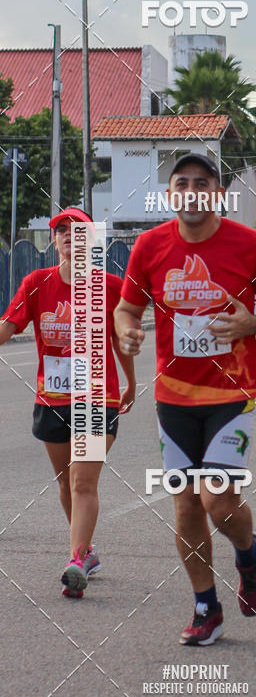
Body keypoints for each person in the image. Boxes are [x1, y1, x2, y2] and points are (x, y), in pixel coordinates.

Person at [114, 154, 256, 646]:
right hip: (173, 397)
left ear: (218, 193)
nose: (192, 192)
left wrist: (254, 323)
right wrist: (127, 332)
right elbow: (127, 309)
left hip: (232, 393)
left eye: (202, 183)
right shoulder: (149, 246)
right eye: (182, 183)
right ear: (171, 194)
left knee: (219, 500)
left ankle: (249, 554)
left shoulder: (250, 244)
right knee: (187, 506)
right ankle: (205, 606)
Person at [0, 207, 136, 597]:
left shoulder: (110, 286)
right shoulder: (36, 283)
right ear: (55, 240)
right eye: (62, 230)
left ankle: (75, 560)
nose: (68, 236)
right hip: (52, 399)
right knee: (65, 484)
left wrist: (131, 382)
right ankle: (87, 551)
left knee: (82, 481)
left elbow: (119, 340)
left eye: (78, 231)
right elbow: (8, 327)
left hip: (97, 397)